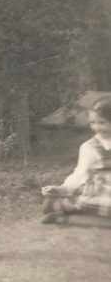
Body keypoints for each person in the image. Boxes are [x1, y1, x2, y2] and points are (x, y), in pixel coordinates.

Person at [41, 96, 111, 224]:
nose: (96, 127)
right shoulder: (89, 147)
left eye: (102, 122)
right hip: (99, 191)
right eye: (92, 123)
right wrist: (64, 188)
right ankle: (60, 211)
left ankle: (63, 211)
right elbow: (80, 173)